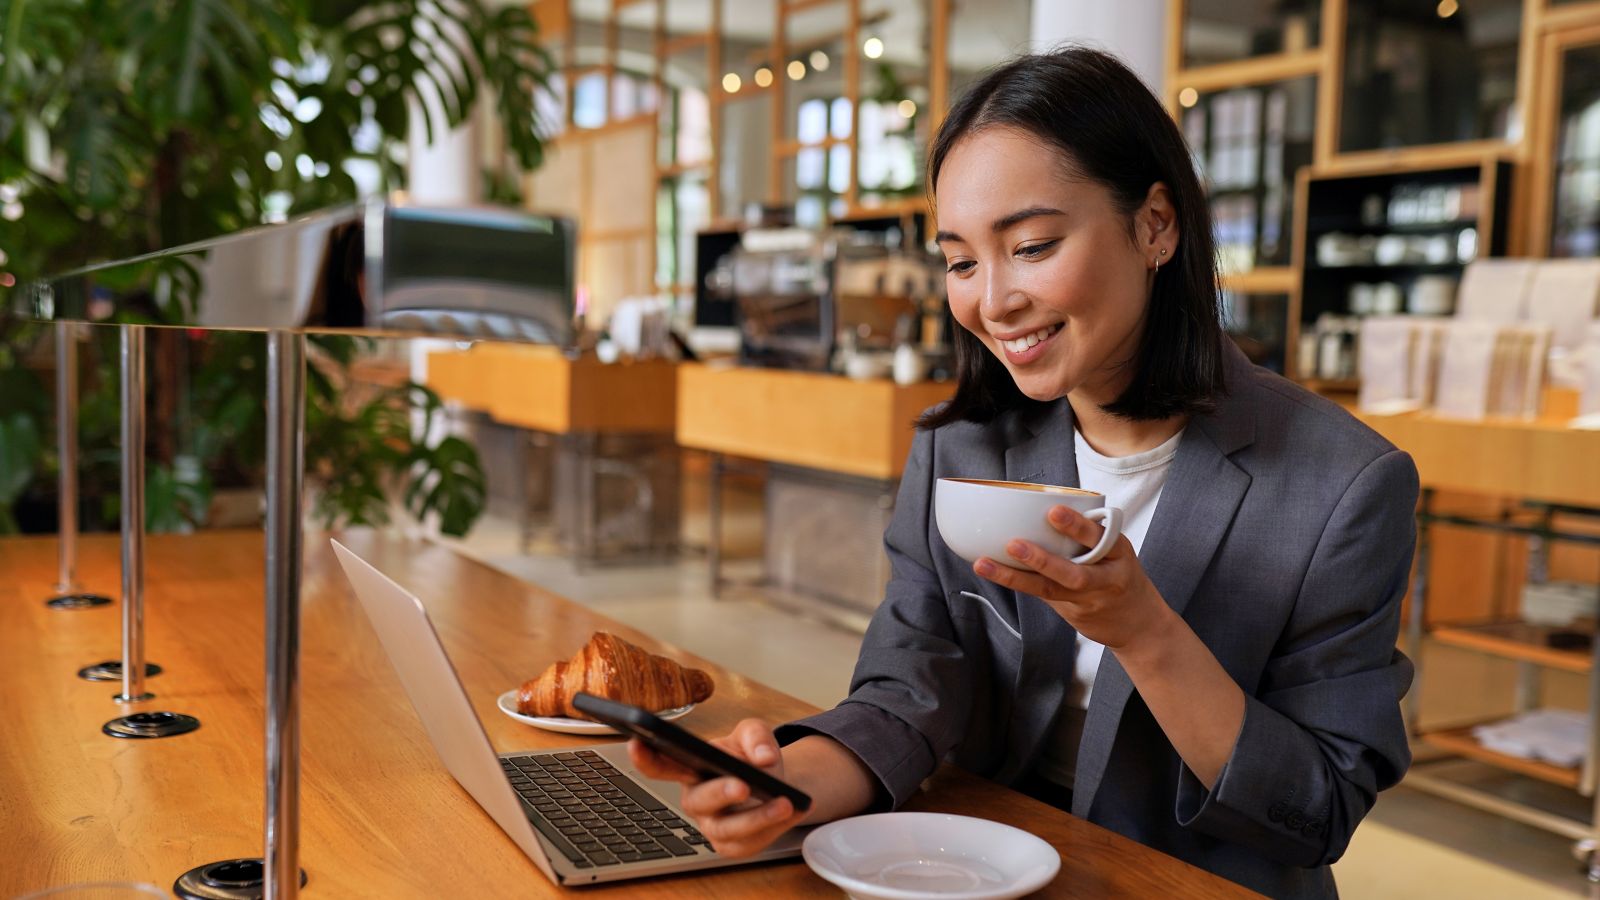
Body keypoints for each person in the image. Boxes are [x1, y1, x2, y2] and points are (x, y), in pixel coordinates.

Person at [632, 46, 1417, 899]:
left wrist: (1145, 632)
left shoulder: (1343, 485)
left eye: (1033, 245)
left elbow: (1319, 809)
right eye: (962, 261)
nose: (992, 302)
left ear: (1156, 225)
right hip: (976, 868)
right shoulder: (960, 447)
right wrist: (784, 786)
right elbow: (909, 690)